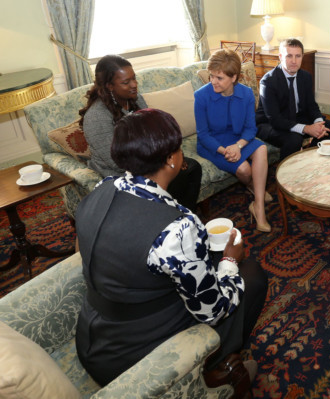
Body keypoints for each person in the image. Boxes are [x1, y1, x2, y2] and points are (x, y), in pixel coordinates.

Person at [75, 109, 268, 387]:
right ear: (171, 159)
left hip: (95, 337)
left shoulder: (103, 187)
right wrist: (229, 260)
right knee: (253, 275)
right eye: (178, 148)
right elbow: (212, 310)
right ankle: (218, 366)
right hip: (138, 356)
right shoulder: (178, 227)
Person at [79, 54, 202, 211]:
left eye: (134, 78)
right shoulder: (97, 116)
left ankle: (181, 216)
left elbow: (156, 132)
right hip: (120, 174)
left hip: (147, 161)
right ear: (110, 86)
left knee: (191, 168)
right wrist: (159, 164)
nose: (134, 85)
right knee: (170, 177)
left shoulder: (135, 100)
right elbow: (116, 161)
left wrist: (175, 155)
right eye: (126, 82)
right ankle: (165, 220)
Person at [194, 49, 271, 232]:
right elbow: (203, 134)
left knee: (262, 149)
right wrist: (225, 150)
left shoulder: (245, 94)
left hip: (238, 140)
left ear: (234, 77)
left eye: (219, 78)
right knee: (244, 169)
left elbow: (251, 128)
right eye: (212, 76)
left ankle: (258, 207)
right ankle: (254, 186)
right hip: (213, 143)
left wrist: (238, 146)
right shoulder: (201, 96)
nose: (213, 81)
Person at [255, 38, 330, 160]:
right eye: (289, 56)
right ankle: (284, 173)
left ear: (302, 57)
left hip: (295, 117)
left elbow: (311, 106)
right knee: (294, 138)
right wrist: (306, 128)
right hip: (269, 124)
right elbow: (275, 119)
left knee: (329, 126)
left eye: (298, 56)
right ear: (280, 56)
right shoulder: (268, 82)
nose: (294, 61)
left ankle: (310, 157)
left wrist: (319, 123)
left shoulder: (305, 76)